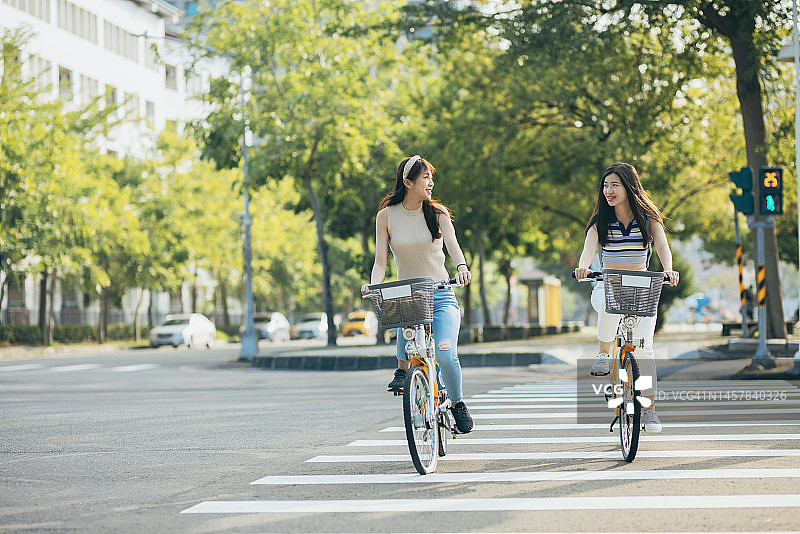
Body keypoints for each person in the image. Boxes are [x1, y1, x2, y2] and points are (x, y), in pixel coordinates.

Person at [361, 155, 474, 434]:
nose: (431, 182)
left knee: (446, 354)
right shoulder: (386, 216)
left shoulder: (438, 214)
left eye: (431, 177)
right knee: (406, 338)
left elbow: (453, 247)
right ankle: (404, 372)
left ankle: (457, 403)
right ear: (408, 182)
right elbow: (380, 262)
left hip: (441, 294)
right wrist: (373, 286)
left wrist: (461, 267)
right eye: (425, 177)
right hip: (409, 298)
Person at [574, 162, 679, 433]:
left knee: (644, 350)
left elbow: (662, 246)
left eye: (615, 185)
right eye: (605, 186)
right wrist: (583, 267)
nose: (608, 191)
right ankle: (603, 353)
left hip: (642, 288)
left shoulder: (648, 218)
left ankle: (650, 410)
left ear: (629, 187)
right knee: (608, 305)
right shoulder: (600, 221)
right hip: (607, 285)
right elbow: (588, 249)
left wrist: (668, 270)